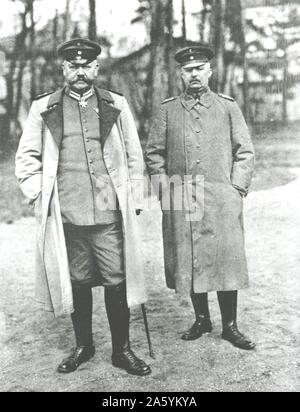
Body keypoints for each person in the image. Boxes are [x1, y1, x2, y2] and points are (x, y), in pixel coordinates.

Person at [15, 38, 151, 375]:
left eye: (86, 66)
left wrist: (132, 196)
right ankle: (84, 346)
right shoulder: (44, 108)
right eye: (72, 66)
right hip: (67, 215)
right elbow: (26, 159)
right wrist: (39, 196)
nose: (79, 71)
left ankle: (123, 350)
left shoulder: (114, 104)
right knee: (78, 282)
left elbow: (134, 157)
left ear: (96, 68)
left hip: (107, 214)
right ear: (63, 69)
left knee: (116, 281)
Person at [145, 45, 256, 350]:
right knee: (190, 257)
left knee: (225, 259)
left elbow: (244, 151)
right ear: (180, 74)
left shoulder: (228, 107)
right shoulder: (167, 110)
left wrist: (237, 189)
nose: (194, 74)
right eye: (187, 70)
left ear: (210, 71)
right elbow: (153, 154)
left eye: (199, 68)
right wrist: (166, 191)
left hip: (221, 198)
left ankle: (230, 326)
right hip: (182, 199)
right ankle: (201, 319)